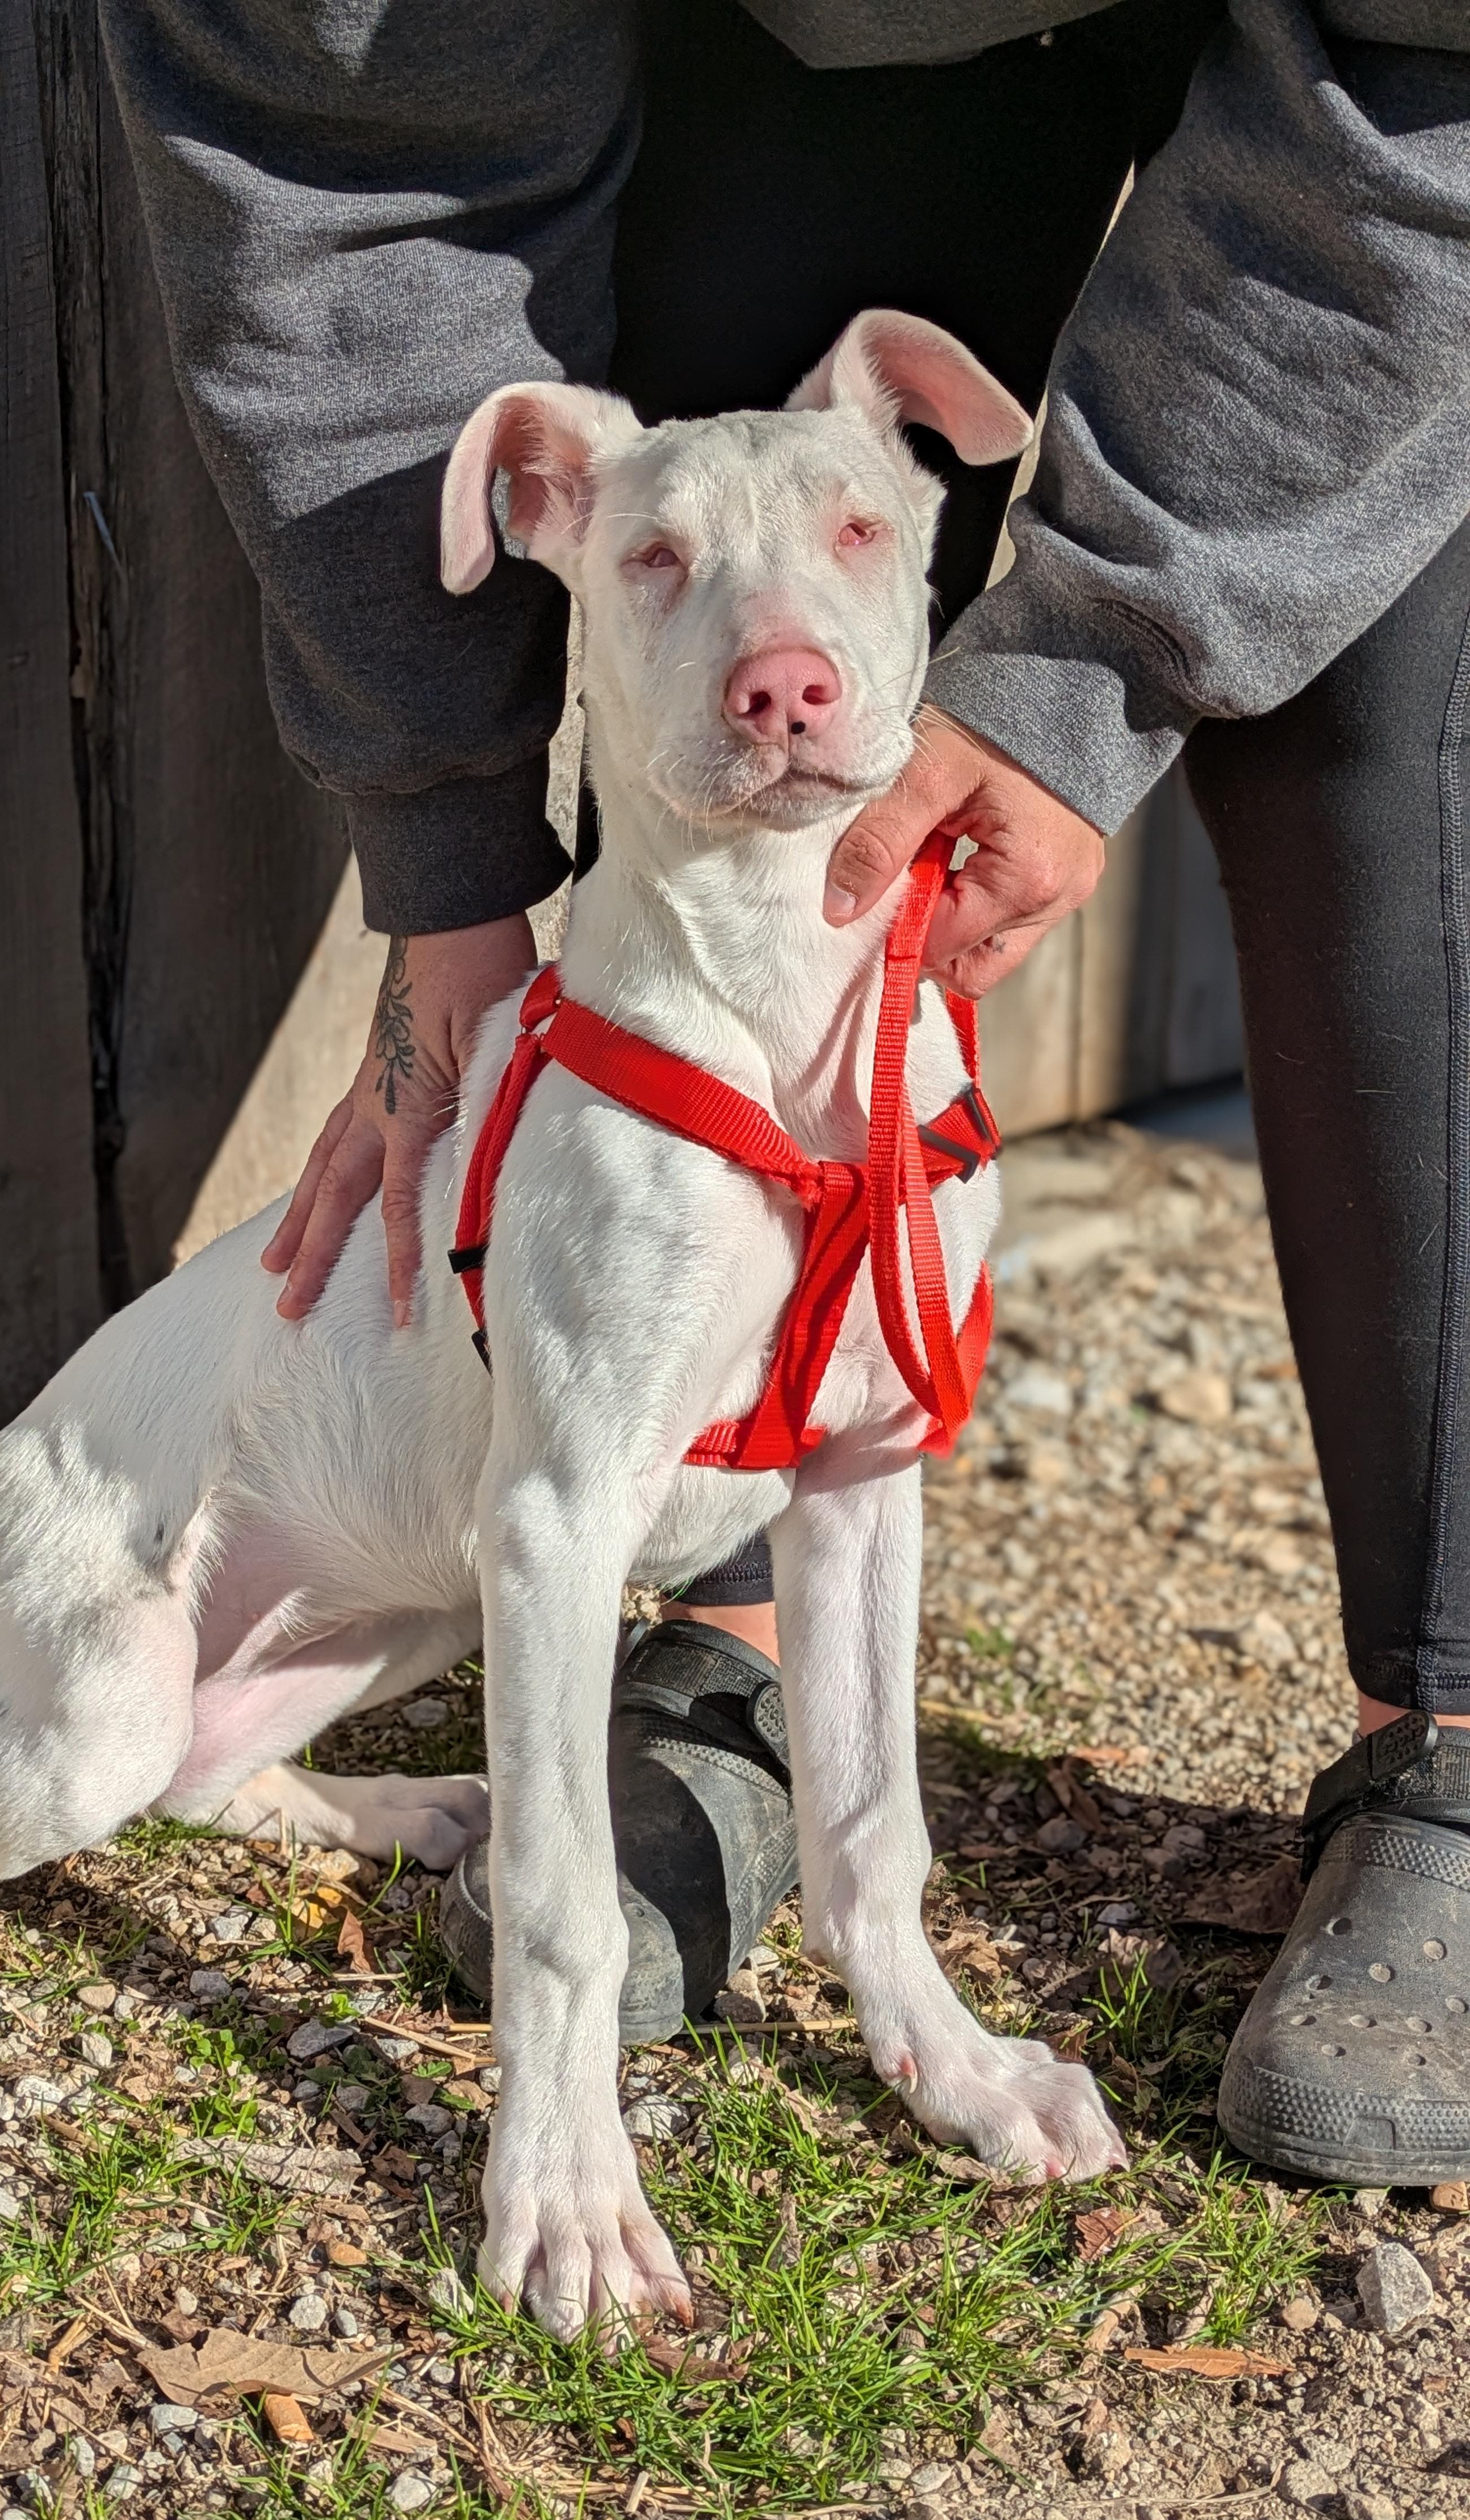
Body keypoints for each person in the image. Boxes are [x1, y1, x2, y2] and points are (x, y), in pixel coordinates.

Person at [100, 0, 1470, 2181]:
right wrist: (450, 843)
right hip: (846, 34)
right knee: (745, 275)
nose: (784, 648)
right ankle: (715, 1633)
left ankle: (1456, 1719)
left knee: (1400, 702)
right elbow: (343, 163)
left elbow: (1432, 93)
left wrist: (1099, 667)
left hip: (1415, 85)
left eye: (849, 561)